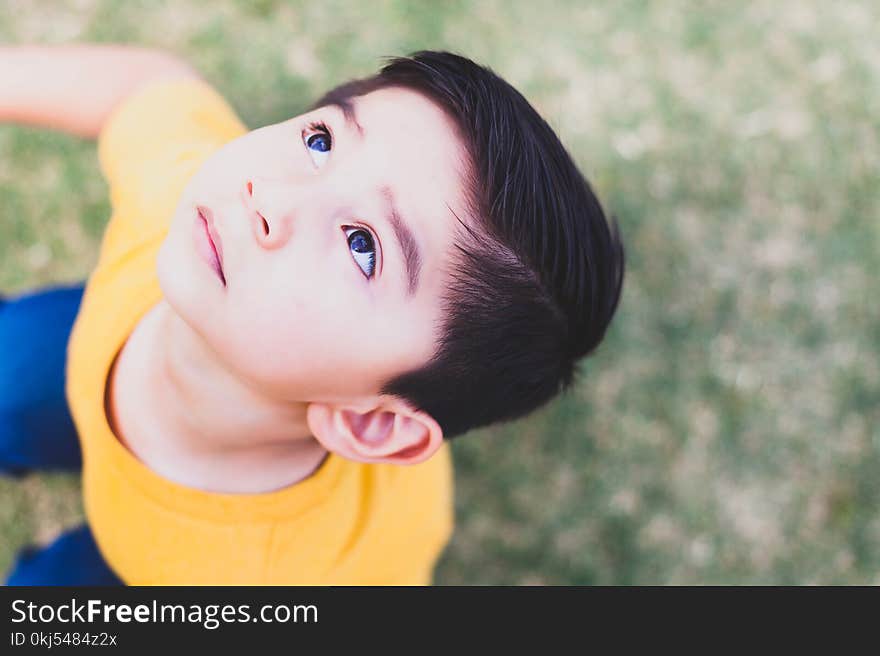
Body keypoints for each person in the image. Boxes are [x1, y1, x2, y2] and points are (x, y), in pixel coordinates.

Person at [0, 44, 625, 585]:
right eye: (321, 141)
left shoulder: (295, 581)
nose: (269, 197)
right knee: (12, 371)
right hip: (91, 354)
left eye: (363, 246)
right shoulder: (183, 207)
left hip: (154, 572)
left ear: (373, 424)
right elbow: (143, 89)